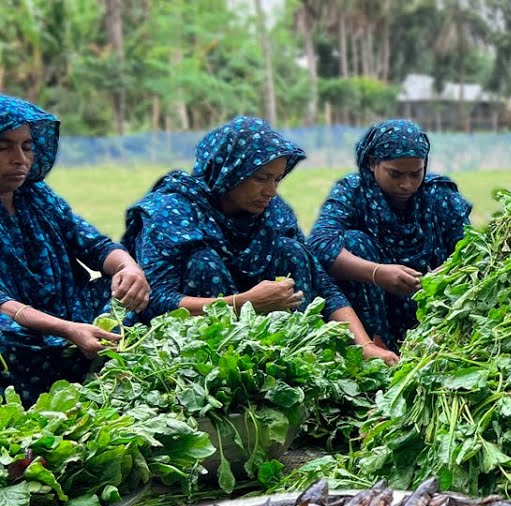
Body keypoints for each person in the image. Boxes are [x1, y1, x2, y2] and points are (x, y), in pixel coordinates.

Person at [123, 116, 397, 364]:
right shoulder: (170, 210)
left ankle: (291, 361)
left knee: (293, 251)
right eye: (261, 178)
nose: (271, 191)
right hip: (195, 347)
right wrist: (242, 303)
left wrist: (364, 346)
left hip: (264, 332)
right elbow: (156, 301)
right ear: (231, 171)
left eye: (277, 179)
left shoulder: (272, 211)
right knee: (203, 262)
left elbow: (322, 284)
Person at [0, 95, 151, 403]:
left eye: (27, 146)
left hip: (68, 312)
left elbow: (95, 245)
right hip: (22, 328)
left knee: (127, 291)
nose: (20, 159)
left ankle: (98, 372)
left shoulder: (37, 196)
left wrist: (129, 268)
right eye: (4, 147)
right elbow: (4, 305)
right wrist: (67, 330)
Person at [308, 119, 471, 350]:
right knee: (354, 242)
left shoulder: (439, 194)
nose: (407, 184)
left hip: (432, 304)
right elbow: (319, 244)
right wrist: (377, 273)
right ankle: (371, 346)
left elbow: (469, 250)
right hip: (373, 301)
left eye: (416, 173)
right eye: (395, 174)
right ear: (372, 163)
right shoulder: (353, 192)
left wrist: (438, 277)